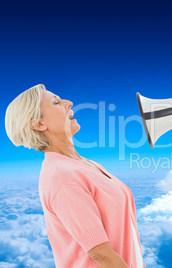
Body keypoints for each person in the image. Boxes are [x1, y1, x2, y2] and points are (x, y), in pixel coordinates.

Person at [5, 84, 145, 268]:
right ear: (39, 124)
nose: (69, 103)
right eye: (56, 102)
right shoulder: (62, 177)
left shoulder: (86, 164)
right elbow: (102, 257)